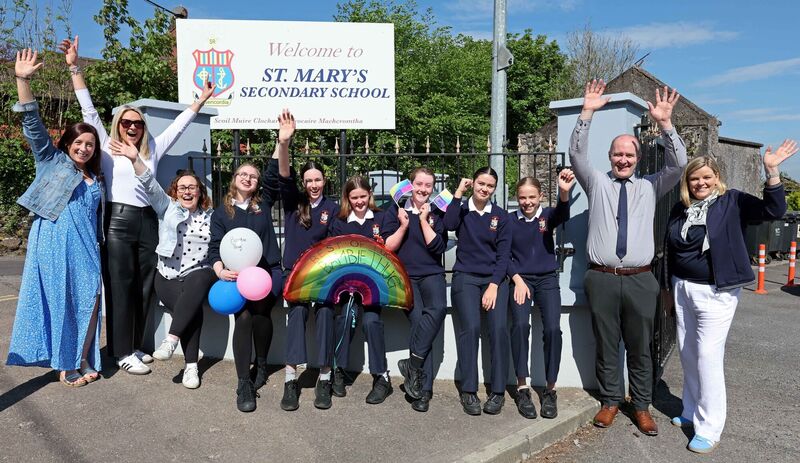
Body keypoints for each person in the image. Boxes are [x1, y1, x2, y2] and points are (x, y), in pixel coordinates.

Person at [60, 36, 215, 375]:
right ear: (118, 126)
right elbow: (88, 109)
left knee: (145, 284)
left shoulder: (153, 148)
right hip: (117, 220)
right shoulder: (106, 143)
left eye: (137, 123)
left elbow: (181, 123)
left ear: (144, 128)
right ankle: (120, 351)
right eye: (127, 123)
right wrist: (74, 67)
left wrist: (201, 99)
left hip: (149, 220)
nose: (131, 127)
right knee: (120, 284)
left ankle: (140, 345)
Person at [570, 79, 687, 436]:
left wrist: (666, 124)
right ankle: (609, 402)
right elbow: (576, 155)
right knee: (606, 344)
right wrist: (586, 113)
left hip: (640, 278)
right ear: (610, 157)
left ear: (637, 159)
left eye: (630, 155)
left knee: (640, 347)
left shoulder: (652, 185)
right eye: (618, 154)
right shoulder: (596, 183)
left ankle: (641, 406)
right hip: (602, 277)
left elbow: (679, 163)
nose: (623, 159)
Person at [666, 143, 795, 453]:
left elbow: (774, 211)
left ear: (717, 177)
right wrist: (667, 288)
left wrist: (773, 172)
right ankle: (690, 409)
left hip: (717, 292)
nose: (700, 183)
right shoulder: (681, 207)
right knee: (686, 351)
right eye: (694, 179)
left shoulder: (732, 201)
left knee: (707, 356)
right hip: (683, 286)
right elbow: (670, 247)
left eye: (706, 177)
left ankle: (709, 428)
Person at [6, 49, 104, 387]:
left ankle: (86, 353)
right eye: (79, 142)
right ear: (67, 143)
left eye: (90, 144)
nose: (84, 147)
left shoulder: (96, 178)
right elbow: (32, 123)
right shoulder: (51, 161)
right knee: (63, 298)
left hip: (87, 244)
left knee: (90, 298)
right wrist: (22, 80)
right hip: (53, 239)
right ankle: (67, 363)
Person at [207, 111, 293, 412]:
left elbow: (273, 172)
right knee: (241, 318)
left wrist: (281, 142)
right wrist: (220, 270)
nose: (249, 178)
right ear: (234, 179)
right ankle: (243, 382)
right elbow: (214, 248)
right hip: (235, 277)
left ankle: (261, 364)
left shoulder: (263, 203)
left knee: (261, 316)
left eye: (253, 176)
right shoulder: (222, 213)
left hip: (266, 273)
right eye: (243, 174)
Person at [114, 138, 216, 389]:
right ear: (175, 192)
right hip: (167, 275)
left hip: (197, 274)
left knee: (201, 277)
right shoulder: (167, 208)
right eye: (182, 188)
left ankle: (172, 342)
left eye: (192, 187)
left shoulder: (212, 218)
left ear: (200, 192)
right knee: (190, 310)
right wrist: (135, 159)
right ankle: (191, 367)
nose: (187, 191)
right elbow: (149, 184)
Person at [274, 119, 341, 411]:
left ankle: (324, 378)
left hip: (324, 277)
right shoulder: (293, 203)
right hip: (295, 276)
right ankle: (291, 380)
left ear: (325, 181)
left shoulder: (334, 208)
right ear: (304, 183)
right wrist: (284, 143)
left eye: (318, 180)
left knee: (326, 316)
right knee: (297, 316)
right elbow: (284, 173)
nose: (313, 185)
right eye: (309, 180)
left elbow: (340, 243)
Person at [444, 167, 511, 416]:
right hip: (466, 277)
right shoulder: (461, 210)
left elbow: (504, 255)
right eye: (481, 183)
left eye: (490, 186)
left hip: (494, 280)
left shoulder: (501, 217)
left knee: (498, 329)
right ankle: (469, 390)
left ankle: (498, 391)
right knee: (470, 329)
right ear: (474, 184)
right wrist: (458, 193)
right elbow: (448, 224)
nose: (484, 189)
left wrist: (494, 285)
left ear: (494, 189)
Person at [328, 176, 402, 404]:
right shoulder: (339, 221)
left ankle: (381, 377)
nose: (359, 201)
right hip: (347, 285)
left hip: (374, 287)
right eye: (354, 197)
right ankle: (338, 370)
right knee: (345, 320)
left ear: (369, 194)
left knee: (371, 323)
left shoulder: (381, 217)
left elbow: (390, 251)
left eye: (363, 196)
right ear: (347, 198)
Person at [508, 170, 575, 419]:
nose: (527, 202)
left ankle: (550, 388)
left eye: (532, 197)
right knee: (519, 327)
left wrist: (564, 192)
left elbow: (562, 213)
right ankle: (522, 386)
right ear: (517, 198)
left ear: (540, 196)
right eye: (523, 197)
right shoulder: (509, 220)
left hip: (547, 279)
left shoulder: (547, 216)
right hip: (521, 281)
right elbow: (503, 255)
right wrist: (517, 279)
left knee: (552, 330)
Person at [385, 168, 449, 412]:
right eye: (419, 184)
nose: (423, 189)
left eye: (428, 185)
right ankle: (423, 389)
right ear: (410, 185)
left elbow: (438, 247)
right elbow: (388, 246)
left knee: (437, 311)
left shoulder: (436, 212)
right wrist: (403, 225)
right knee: (421, 325)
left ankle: (412, 366)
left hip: (432, 274)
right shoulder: (396, 210)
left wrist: (422, 220)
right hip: (405, 276)